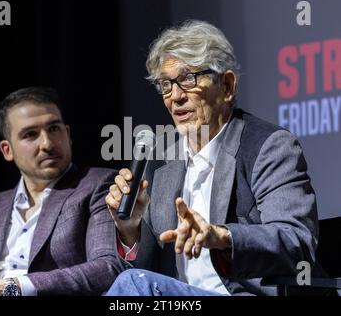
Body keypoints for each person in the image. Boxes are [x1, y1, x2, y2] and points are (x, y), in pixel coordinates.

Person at [105, 20, 320, 296]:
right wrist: (129, 229)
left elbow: (297, 241)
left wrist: (222, 237)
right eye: (166, 85)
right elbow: (148, 266)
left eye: (188, 79)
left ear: (227, 86)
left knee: (134, 286)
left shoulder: (269, 147)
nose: (176, 97)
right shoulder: (160, 161)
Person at [0, 87, 122, 296]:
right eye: (30, 135)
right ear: (7, 150)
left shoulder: (98, 184)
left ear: (68, 134)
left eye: (54, 129)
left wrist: (7, 288)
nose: (47, 144)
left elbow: (107, 268)